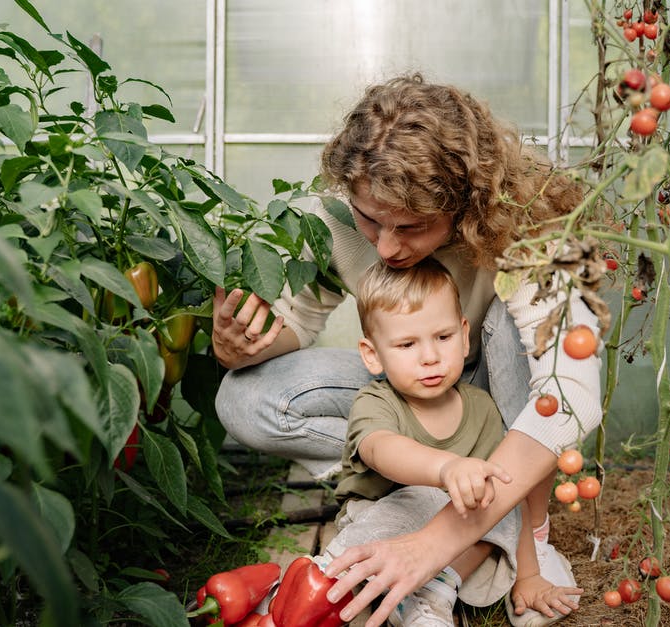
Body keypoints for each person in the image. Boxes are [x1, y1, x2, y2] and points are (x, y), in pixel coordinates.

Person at [211, 73, 604, 626]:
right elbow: (297, 321)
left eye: (412, 227)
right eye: (372, 220)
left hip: (497, 402)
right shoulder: (339, 215)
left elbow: (573, 396)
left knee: (517, 331)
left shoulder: (529, 224)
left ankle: (523, 532)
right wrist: (237, 348)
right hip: (406, 396)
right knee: (245, 400)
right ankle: (418, 486)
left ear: (466, 203)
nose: (388, 247)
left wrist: (428, 548)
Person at [314, 259, 573, 626]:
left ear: (464, 334)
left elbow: (507, 499)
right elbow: (381, 449)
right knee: (427, 495)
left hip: (451, 539)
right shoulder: (376, 402)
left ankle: (435, 591)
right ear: (373, 354)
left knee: (496, 495)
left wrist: (528, 575)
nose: (430, 357)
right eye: (407, 344)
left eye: (443, 337)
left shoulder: (481, 408)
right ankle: (324, 571)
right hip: (385, 519)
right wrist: (446, 468)